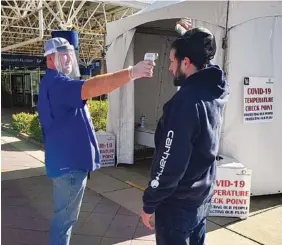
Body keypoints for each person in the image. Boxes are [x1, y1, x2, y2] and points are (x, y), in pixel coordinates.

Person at [37, 37, 154, 245]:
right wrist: (131, 73)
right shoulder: (59, 84)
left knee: (63, 218)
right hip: (70, 168)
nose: (67, 60)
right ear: (49, 59)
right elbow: (92, 87)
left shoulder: (50, 83)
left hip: (63, 166)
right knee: (64, 221)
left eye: (69, 54)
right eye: (61, 55)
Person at [140, 24, 229, 245]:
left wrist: (149, 202)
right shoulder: (215, 90)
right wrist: (196, 39)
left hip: (177, 207)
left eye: (172, 61)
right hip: (201, 198)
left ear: (186, 62)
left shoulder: (184, 103)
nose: (170, 68)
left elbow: (170, 161)